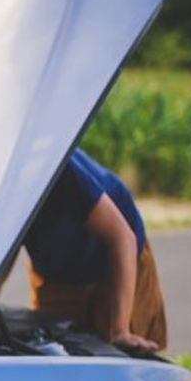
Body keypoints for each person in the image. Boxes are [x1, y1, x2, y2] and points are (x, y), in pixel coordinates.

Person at [22, 148, 167, 353]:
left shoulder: (57, 169)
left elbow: (122, 238)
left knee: (123, 355)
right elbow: (1, 248)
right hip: (55, 270)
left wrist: (120, 330)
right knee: (55, 354)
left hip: (116, 258)